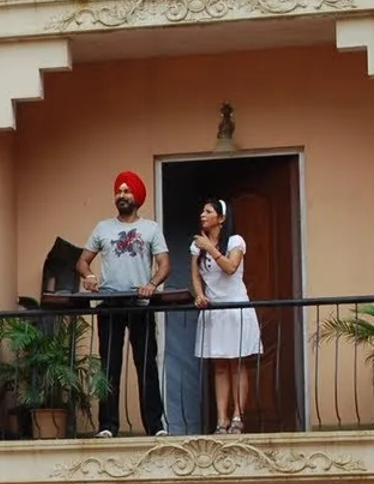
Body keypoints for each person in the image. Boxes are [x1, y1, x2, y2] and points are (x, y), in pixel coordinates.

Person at [76, 170, 170, 437]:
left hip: (140, 305)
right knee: (109, 366)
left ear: (137, 196)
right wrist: (90, 275)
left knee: (146, 365)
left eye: (128, 191)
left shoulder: (151, 228)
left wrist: (151, 284)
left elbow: (165, 265)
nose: (122, 195)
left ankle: (156, 426)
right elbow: (82, 261)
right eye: (119, 191)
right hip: (110, 302)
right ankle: (107, 426)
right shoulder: (103, 228)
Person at [190, 199, 261, 435]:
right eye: (202, 210)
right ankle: (221, 420)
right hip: (214, 311)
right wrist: (199, 295)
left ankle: (238, 415)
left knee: (237, 364)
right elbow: (196, 276)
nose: (203, 214)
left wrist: (210, 248)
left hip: (235, 308)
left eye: (208, 211)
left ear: (221, 218)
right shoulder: (197, 246)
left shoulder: (235, 241)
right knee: (219, 366)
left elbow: (230, 267)